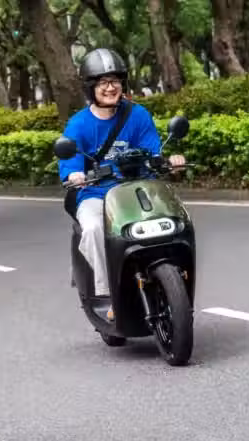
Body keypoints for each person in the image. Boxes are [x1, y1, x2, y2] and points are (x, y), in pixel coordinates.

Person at [59, 48, 185, 319]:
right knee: (93, 228)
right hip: (96, 194)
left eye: (115, 81)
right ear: (91, 87)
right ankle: (110, 295)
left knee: (176, 219)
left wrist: (170, 162)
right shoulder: (78, 125)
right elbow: (69, 165)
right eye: (103, 82)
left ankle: (177, 278)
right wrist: (74, 176)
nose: (110, 87)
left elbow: (153, 153)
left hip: (139, 189)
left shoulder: (138, 115)